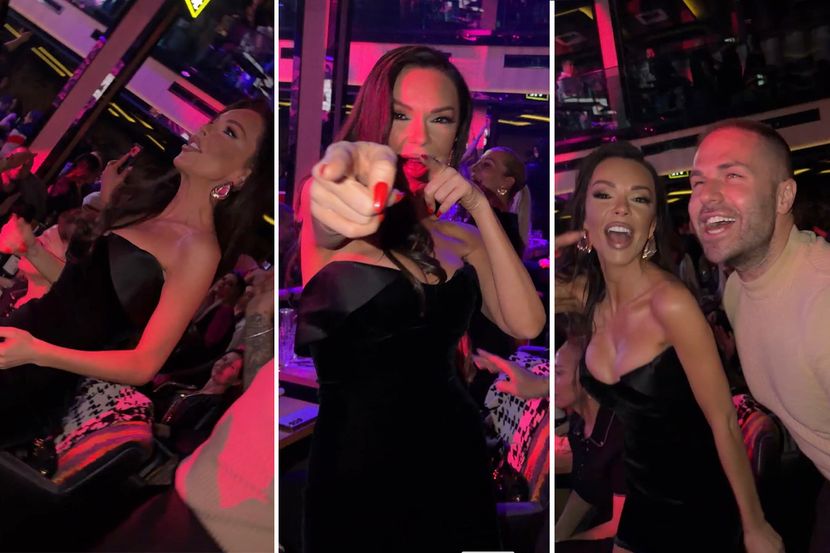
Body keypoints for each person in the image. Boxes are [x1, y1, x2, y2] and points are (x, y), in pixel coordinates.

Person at [296, 45, 546, 552]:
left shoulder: (459, 238)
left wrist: (478, 205)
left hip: (454, 454)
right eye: (399, 114)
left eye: (440, 119)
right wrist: (342, 183)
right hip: (357, 466)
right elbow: (330, 214)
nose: (418, 136)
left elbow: (526, 324)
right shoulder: (338, 202)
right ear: (374, 118)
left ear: (458, 135)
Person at [0, 98, 272, 449]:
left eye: (229, 132)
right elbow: (86, 297)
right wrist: (32, 250)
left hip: (33, 378)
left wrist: (36, 352)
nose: (205, 129)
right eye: (213, 122)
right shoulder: (150, 210)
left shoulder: (199, 248)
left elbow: (144, 364)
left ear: (242, 174)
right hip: (18, 343)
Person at [555, 141, 781, 553]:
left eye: (639, 199)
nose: (621, 209)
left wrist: (756, 526)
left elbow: (723, 420)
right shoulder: (588, 297)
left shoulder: (671, 304)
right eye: (604, 195)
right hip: (640, 498)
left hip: (698, 504)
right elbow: (520, 313)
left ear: (650, 226)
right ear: (584, 217)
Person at [689, 118, 830, 552]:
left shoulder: (822, 303)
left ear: (784, 196)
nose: (706, 197)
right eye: (697, 182)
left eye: (732, 176)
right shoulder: (737, 291)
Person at [550, 338, 625, 553]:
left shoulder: (618, 432)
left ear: (586, 378)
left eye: (559, 373)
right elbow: (585, 490)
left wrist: (565, 544)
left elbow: (620, 525)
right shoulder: (578, 425)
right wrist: (556, 537)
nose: (551, 382)